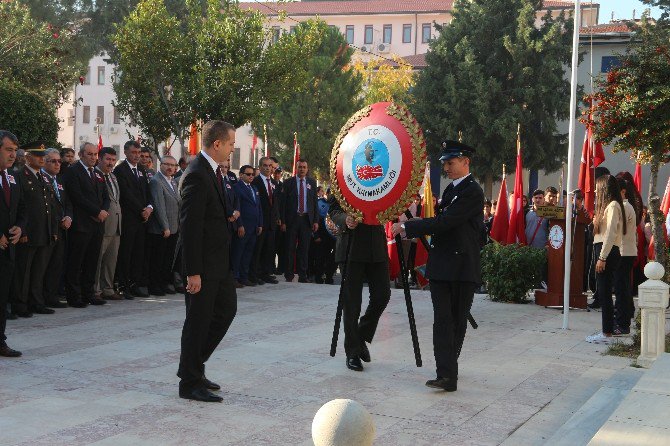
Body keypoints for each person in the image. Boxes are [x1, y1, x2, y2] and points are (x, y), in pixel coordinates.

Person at [392, 140, 484, 392]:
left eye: (450, 162)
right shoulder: (452, 190)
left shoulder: (472, 191)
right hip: (444, 265)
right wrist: (418, 222)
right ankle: (446, 373)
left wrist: (410, 226)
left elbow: (447, 222)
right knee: (443, 321)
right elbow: (442, 221)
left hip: (462, 267)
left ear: (466, 162)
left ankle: (448, 371)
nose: (446, 167)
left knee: (456, 321)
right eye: (444, 163)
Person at [177, 120, 238, 403]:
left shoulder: (213, 171)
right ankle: (189, 382)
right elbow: (190, 227)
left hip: (219, 262)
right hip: (202, 265)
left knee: (226, 311)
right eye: (230, 143)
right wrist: (194, 272)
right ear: (217, 144)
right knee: (198, 322)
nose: (232, 148)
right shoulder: (197, 174)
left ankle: (194, 367)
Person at [329, 193, 391, 373]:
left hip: (376, 245)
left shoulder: (382, 175)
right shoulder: (345, 176)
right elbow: (333, 209)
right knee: (352, 303)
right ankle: (353, 352)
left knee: (382, 295)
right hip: (351, 245)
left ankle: (360, 335)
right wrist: (345, 218)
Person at [61, 142, 110, 307]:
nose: (93, 157)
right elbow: (76, 196)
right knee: (76, 262)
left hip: (97, 225)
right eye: (90, 154)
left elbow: (106, 196)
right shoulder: (73, 171)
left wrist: (103, 210)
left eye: (95, 154)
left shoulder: (97, 173)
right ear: (81, 155)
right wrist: (96, 212)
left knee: (92, 261)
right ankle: (74, 296)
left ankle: (89, 293)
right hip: (81, 224)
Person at [14, 142, 59, 316]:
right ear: (28, 157)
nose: (42, 159)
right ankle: (20, 304)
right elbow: (20, 207)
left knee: (39, 271)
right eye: (38, 156)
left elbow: (52, 206)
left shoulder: (44, 177)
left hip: (44, 231)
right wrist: (22, 231)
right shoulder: (20, 175)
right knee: (24, 272)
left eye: (43, 156)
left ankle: (36, 302)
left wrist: (53, 230)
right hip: (29, 232)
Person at [586, 175, 625, 344]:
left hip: (607, 251)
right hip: (602, 249)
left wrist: (602, 257)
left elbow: (610, 234)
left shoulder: (614, 205)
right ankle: (606, 330)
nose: (595, 191)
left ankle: (606, 332)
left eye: (597, 188)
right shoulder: (607, 207)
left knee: (605, 292)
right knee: (603, 292)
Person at [114, 140, 153, 298]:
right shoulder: (120, 170)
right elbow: (126, 193)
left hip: (143, 219)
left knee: (139, 253)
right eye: (134, 153)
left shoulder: (142, 170)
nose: (137, 156)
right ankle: (124, 285)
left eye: (138, 153)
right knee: (126, 253)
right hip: (129, 218)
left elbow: (148, 192)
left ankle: (134, 283)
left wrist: (150, 207)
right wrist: (141, 209)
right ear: (126, 153)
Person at [0, 130, 26, 357]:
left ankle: (0, 340)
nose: (13, 155)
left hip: (7, 249)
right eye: (8, 150)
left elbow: (21, 209)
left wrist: (20, 227)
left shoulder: (12, 177)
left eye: (15, 151)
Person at [41, 148, 72, 308]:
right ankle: (39, 298)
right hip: (47, 229)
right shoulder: (41, 178)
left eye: (59, 161)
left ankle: (51, 296)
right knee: (43, 266)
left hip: (61, 229)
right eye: (53, 161)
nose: (57, 164)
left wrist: (68, 216)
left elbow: (66, 202)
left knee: (56, 265)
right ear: (44, 162)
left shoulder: (59, 180)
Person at [147, 155, 181, 296]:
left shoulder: (172, 182)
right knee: (158, 259)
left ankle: (164, 283)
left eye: (173, 165)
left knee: (167, 259)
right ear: (160, 164)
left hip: (174, 227)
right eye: (167, 164)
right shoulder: (156, 181)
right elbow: (159, 206)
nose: (170, 167)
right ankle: (155, 286)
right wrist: (165, 227)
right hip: (161, 229)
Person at [281, 159, 318, 283]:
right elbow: (283, 204)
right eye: (300, 167)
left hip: (306, 220)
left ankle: (303, 275)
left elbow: (314, 203)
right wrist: (283, 221)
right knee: (290, 248)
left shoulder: (312, 183)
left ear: (307, 169)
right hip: (292, 219)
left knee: (304, 249)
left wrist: (315, 221)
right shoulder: (288, 183)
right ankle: (289, 275)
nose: (302, 169)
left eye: (304, 167)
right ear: (296, 168)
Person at [94, 147, 124, 301]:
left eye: (113, 160)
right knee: (98, 258)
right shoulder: (95, 175)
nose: (111, 163)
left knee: (111, 259)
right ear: (99, 159)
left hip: (116, 224)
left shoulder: (113, 177)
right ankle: (96, 290)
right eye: (108, 159)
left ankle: (108, 288)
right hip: (103, 223)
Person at [613, 177, 638, 336]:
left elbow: (615, 230)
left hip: (623, 252)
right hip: (626, 251)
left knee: (621, 289)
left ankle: (622, 324)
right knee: (623, 288)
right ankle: (624, 318)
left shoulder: (623, 207)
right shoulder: (626, 206)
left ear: (622, 191)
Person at [250, 157, 280, 285]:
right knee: (258, 249)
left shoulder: (274, 183)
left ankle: (266, 273)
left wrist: (277, 217)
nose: (268, 168)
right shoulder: (255, 182)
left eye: (270, 166)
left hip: (272, 222)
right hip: (260, 221)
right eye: (265, 165)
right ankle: (254, 274)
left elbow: (276, 202)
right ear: (260, 167)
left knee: (269, 249)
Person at [232, 165, 263, 288]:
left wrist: (260, 223)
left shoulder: (254, 188)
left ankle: (244, 277)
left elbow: (258, 207)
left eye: (252, 174)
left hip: (254, 226)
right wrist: (240, 225)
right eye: (248, 174)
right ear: (241, 175)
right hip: (243, 226)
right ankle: (235, 277)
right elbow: (236, 207)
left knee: (248, 253)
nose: (251, 176)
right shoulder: (236, 188)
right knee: (238, 252)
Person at [312, 186, 337, 284]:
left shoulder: (340, 206)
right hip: (322, 235)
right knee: (320, 257)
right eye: (330, 193)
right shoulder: (320, 204)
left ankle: (329, 276)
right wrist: (316, 235)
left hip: (335, 236)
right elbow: (315, 220)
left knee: (334, 258)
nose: (332, 196)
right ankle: (318, 276)